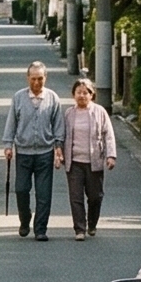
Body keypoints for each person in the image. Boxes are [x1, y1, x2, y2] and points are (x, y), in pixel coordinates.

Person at [0, 60, 66, 241]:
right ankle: (25, 219)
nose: (36, 83)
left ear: (45, 78)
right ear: (27, 78)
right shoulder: (19, 97)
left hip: (45, 152)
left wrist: (59, 147)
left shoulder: (53, 98)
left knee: (43, 193)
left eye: (40, 79)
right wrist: (8, 145)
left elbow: (58, 126)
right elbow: (11, 122)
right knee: (21, 189)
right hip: (23, 152)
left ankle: (40, 229)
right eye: (33, 79)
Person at [60, 77, 118, 240]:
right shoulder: (69, 114)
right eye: (78, 92)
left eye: (85, 93)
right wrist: (59, 154)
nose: (82, 96)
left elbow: (109, 135)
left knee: (95, 196)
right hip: (74, 162)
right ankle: (79, 229)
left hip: (94, 162)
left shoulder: (100, 112)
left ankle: (92, 223)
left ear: (91, 95)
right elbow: (62, 136)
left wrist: (110, 155)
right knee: (75, 197)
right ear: (73, 95)